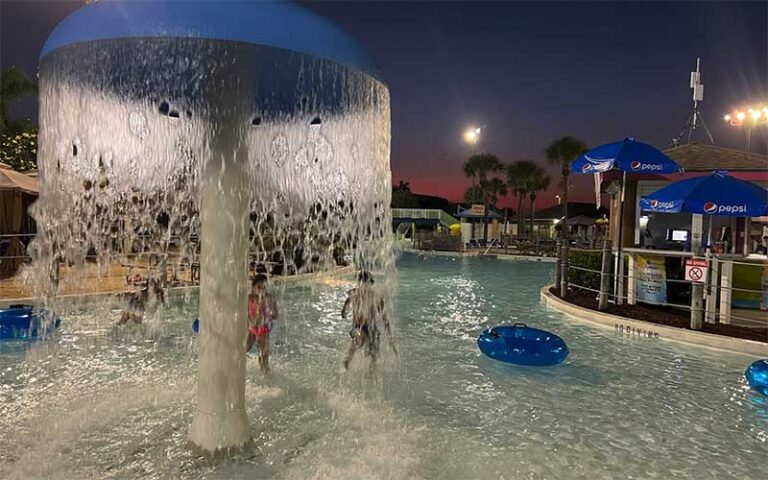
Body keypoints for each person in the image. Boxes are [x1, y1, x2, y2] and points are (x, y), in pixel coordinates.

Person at [341, 271, 395, 370]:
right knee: (364, 345)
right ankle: (351, 367)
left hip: (366, 327)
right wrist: (344, 310)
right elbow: (384, 318)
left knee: (371, 353)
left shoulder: (359, 294)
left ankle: (352, 367)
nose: (364, 285)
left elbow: (384, 318)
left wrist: (344, 312)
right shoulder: (363, 294)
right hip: (363, 327)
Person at [246, 274, 278, 374]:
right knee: (244, 348)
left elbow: (276, 314)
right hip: (251, 329)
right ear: (253, 288)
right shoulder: (249, 298)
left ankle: (266, 375)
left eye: (264, 288)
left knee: (264, 355)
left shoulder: (269, 298)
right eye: (259, 288)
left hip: (263, 330)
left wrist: (272, 314)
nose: (262, 291)